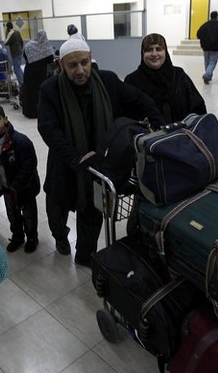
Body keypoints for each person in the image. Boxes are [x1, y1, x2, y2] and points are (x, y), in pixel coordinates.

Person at [37, 35, 165, 267]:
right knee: (57, 209)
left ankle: (85, 256)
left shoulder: (107, 81)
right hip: (66, 162)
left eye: (84, 62)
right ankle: (60, 237)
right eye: (73, 65)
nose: (80, 70)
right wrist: (75, 158)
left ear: (91, 58)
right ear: (61, 66)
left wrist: (159, 126)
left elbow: (139, 100)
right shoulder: (50, 89)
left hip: (97, 164)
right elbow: (48, 129)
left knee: (92, 211)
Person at [0, 103, 40, 252]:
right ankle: (17, 237)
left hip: (24, 187)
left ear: (6, 119)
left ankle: (32, 237)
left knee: (29, 215)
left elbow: (29, 164)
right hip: (7, 187)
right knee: (12, 214)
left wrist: (17, 184)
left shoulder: (20, 141)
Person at [124, 33, 206, 124]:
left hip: (181, 135)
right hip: (149, 137)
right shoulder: (132, 81)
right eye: (149, 50)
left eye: (158, 49)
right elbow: (128, 117)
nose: (154, 54)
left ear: (165, 52)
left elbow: (198, 108)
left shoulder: (179, 76)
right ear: (142, 53)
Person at [22, 29, 55, 119]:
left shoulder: (29, 45)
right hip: (41, 73)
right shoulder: (46, 46)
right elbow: (51, 60)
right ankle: (39, 112)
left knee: (29, 92)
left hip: (29, 72)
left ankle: (29, 112)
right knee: (39, 92)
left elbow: (24, 56)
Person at [196, 11, 218, 84]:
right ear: (217, 16)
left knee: (207, 62)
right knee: (212, 62)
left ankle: (208, 76)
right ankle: (207, 75)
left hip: (205, 47)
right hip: (215, 48)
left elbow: (198, 34)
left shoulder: (204, 25)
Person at [4, 21, 24, 87]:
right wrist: (21, 48)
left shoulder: (10, 33)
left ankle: (22, 85)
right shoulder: (17, 32)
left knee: (16, 70)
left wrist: (6, 34)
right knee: (18, 68)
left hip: (15, 53)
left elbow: (5, 42)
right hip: (20, 52)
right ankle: (24, 81)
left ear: (7, 28)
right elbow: (22, 41)